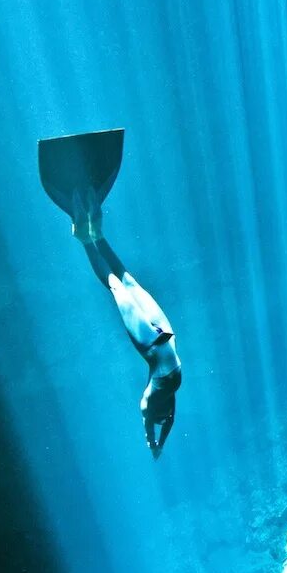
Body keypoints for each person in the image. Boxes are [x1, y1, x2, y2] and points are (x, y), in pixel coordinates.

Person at [39, 129, 181, 458]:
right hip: (157, 339)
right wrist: (156, 444)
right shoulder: (157, 410)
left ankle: (89, 228)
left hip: (159, 337)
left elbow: (162, 424)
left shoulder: (158, 407)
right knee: (121, 281)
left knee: (121, 282)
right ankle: (88, 228)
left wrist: (155, 444)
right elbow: (162, 425)